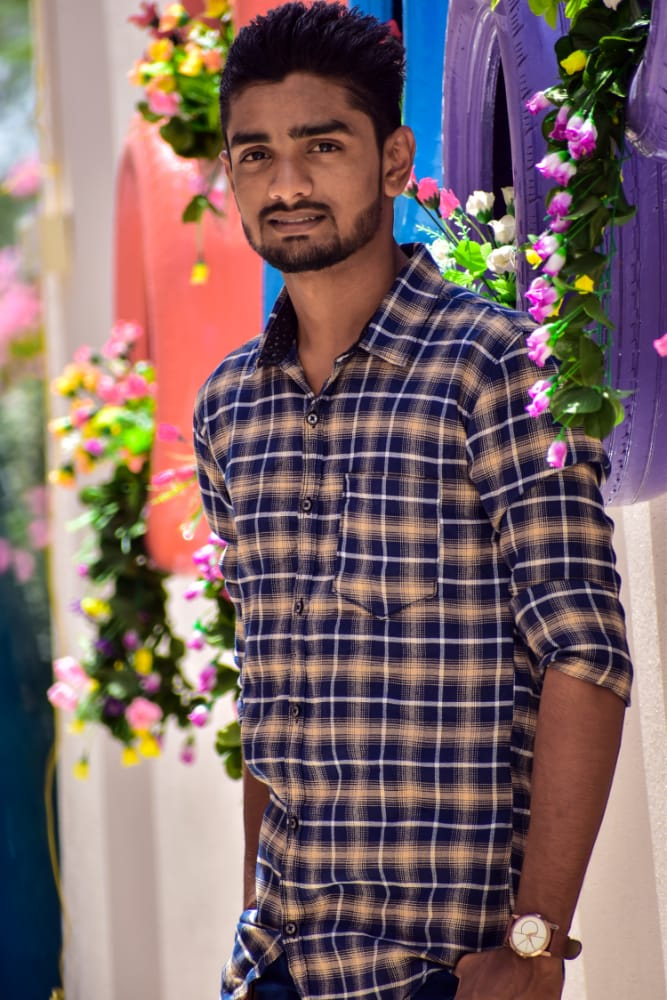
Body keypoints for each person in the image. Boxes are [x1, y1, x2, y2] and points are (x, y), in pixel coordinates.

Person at [193, 5, 633, 999]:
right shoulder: (226, 409)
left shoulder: (495, 368)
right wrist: (254, 916)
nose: (287, 184)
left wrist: (535, 947)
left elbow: (583, 654)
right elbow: (266, 682)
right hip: (275, 969)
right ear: (230, 176)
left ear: (394, 160)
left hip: (440, 970)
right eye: (256, 155)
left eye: (322, 146)